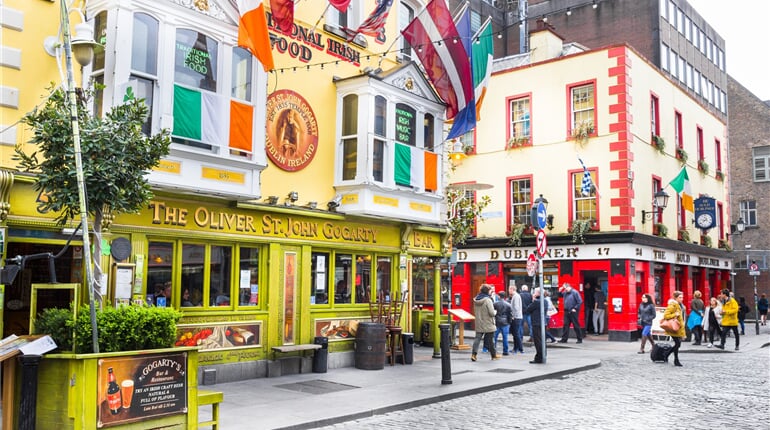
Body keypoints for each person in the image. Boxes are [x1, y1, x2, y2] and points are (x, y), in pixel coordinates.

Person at [471, 284, 499, 361]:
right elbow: (491, 313)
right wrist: (495, 312)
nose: (491, 291)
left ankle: (474, 355)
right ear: (487, 291)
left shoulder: (476, 299)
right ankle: (494, 355)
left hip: (479, 322)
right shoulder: (488, 300)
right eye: (490, 290)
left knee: (477, 339)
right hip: (488, 322)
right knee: (491, 340)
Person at [662, 291, 686, 367]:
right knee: (678, 344)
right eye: (680, 297)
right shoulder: (672, 305)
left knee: (678, 344)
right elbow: (666, 315)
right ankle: (676, 360)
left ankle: (666, 354)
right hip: (673, 328)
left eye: (682, 297)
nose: (682, 299)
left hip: (678, 327)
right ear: (675, 298)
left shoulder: (680, 305)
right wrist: (674, 314)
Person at [523, 287, 546, 364]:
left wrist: (533, 299)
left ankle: (539, 358)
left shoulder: (537, 302)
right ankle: (543, 355)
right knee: (542, 340)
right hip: (542, 323)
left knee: (538, 341)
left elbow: (528, 309)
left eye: (535, 292)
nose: (533, 293)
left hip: (536, 323)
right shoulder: (545, 301)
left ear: (538, 293)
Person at [493, 291, 513, 355]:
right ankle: (505, 351)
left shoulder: (495, 304)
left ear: (499, 296)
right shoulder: (508, 304)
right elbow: (510, 314)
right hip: (505, 322)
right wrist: (509, 322)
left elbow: (493, 312)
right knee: (505, 338)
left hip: (497, 322)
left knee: (494, 337)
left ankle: (493, 350)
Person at [508, 285, 524, 353]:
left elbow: (516, 307)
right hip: (517, 317)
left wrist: (513, 316)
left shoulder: (516, 296)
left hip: (516, 317)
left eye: (509, 289)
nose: (509, 290)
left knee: (516, 333)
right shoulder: (515, 296)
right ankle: (516, 348)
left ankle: (520, 348)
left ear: (512, 289)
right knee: (515, 333)